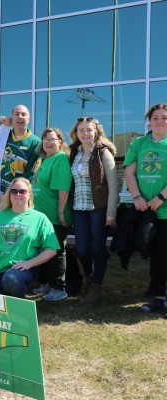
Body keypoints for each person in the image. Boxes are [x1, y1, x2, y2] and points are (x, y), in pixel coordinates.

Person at [0, 177, 59, 298]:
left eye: (22, 191)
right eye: (14, 191)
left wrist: (29, 263)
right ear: (9, 194)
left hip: (21, 271)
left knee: (11, 280)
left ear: (30, 194)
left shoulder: (40, 218)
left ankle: (17, 303)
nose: (18, 194)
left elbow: (51, 249)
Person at [69, 117, 118, 303]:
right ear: (76, 133)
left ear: (96, 132)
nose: (85, 133)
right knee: (81, 249)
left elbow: (114, 184)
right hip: (78, 208)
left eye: (89, 130)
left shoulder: (103, 152)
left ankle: (97, 286)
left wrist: (111, 212)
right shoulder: (74, 152)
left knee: (98, 248)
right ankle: (90, 277)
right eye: (81, 130)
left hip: (98, 208)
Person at [124, 103, 167, 313]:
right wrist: (137, 196)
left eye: (164, 117)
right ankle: (158, 296)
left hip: (164, 207)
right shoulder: (139, 143)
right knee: (157, 254)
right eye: (156, 117)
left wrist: (161, 196)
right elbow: (129, 172)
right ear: (149, 120)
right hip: (147, 209)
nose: (160, 120)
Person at [31, 128, 72, 301]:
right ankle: (49, 283)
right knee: (45, 250)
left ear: (60, 142)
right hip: (41, 216)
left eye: (52, 139)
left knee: (56, 251)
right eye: (45, 139)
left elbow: (63, 188)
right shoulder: (42, 160)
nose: (48, 142)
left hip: (54, 216)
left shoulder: (60, 159)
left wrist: (61, 213)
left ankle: (59, 288)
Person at [0, 105, 41, 197]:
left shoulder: (36, 142)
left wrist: (11, 193)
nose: (20, 116)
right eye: (17, 114)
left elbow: (31, 174)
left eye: (23, 114)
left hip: (16, 195)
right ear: (12, 118)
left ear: (29, 119)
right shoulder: (2, 134)